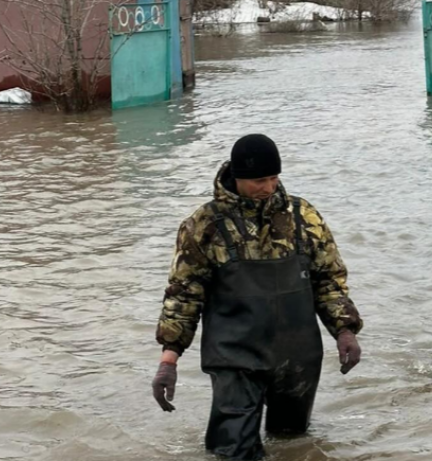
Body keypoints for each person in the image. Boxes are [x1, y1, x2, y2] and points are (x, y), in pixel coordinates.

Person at [151, 134, 363, 460]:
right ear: (236, 178)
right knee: (232, 449)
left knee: (293, 445)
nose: (268, 187)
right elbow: (183, 296)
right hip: (235, 357)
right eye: (258, 180)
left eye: (273, 178)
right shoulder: (202, 226)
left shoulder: (303, 217)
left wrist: (344, 330)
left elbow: (328, 280)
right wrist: (169, 360)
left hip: (296, 356)